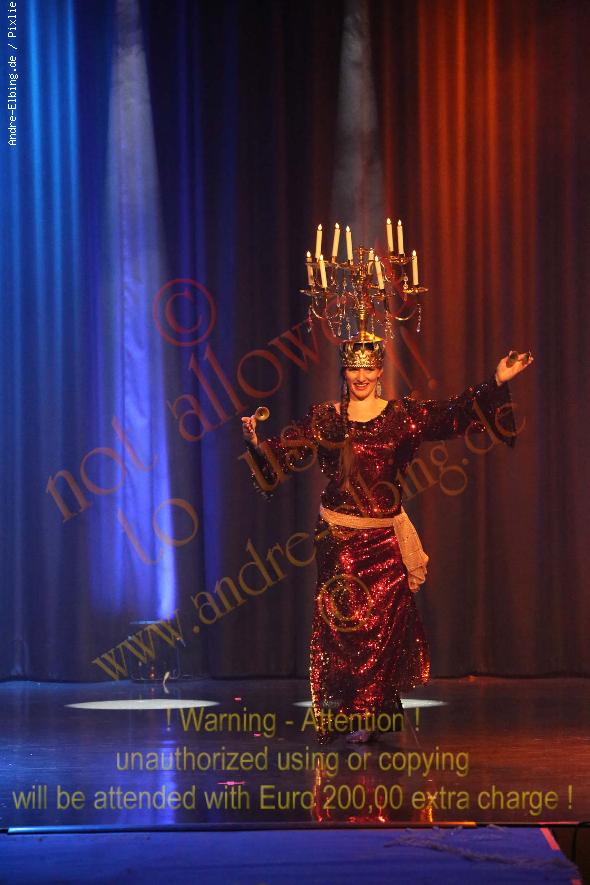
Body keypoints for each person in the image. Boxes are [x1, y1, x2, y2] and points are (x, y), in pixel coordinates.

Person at [241, 336, 533, 743]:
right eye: (353, 368)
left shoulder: (402, 416)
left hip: (384, 539)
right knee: (348, 627)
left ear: (379, 370)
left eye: (368, 368)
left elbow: (453, 413)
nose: (360, 376)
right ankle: (355, 710)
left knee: (385, 628)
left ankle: (372, 712)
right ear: (344, 371)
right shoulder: (326, 418)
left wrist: (496, 381)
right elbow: (285, 454)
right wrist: (256, 443)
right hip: (340, 539)